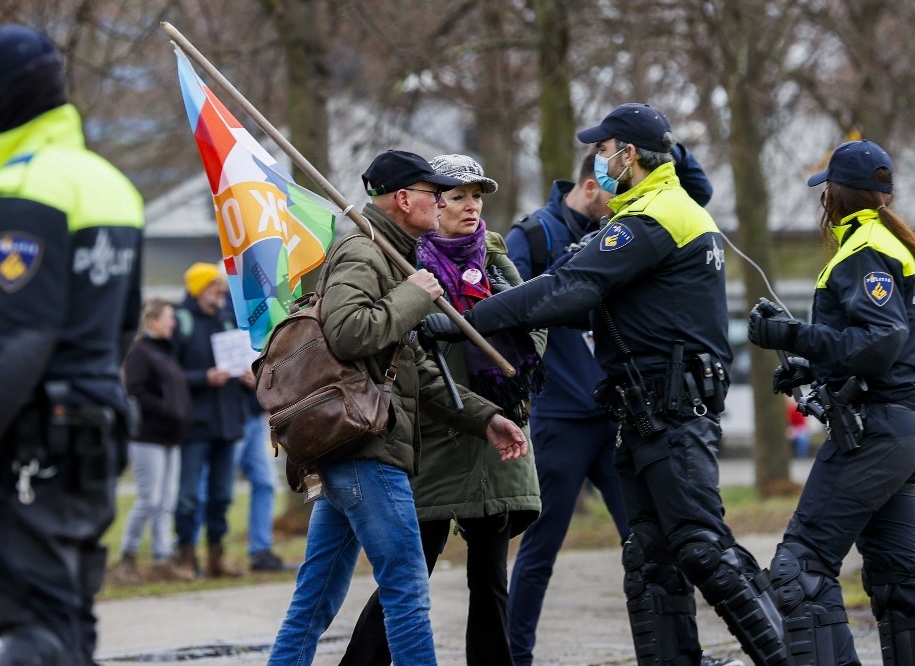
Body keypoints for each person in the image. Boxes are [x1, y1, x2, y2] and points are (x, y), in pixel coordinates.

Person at [421, 103, 788, 666]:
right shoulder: (651, 209)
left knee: (701, 548)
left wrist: (459, 320)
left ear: (628, 155)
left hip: (670, 411)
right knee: (650, 560)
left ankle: (791, 655)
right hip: (646, 412)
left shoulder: (652, 217)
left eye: (604, 148)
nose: (597, 158)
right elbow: (589, 307)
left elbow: (566, 290)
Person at [0, 24, 143, 663]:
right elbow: (118, 329)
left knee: (33, 638)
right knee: (66, 627)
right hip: (89, 435)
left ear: (8, 97)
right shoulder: (107, 185)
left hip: (29, 445)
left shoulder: (23, 193)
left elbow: (7, 351)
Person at [266, 149, 530, 666]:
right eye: (434, 193)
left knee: (314, 602)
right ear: (403, 198)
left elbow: (409, 369)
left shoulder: (391, 254)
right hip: (367, 449)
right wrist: (412, 297)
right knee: (406, 593)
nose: (441, 202)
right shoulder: (365, 254)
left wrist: (484, 417)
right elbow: (347, 334)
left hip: (352, 451)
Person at [505, 146, 715, 666]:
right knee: (539, 552)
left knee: (657, 545)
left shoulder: (634, 226)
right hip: (561, 420)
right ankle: (515, 656)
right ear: (594, 185)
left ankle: (680, 655)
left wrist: (672, 150)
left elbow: (695, 196)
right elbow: (510, 310)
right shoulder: (532, 236)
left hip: (623, 415)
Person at [337, 154, 544, 666]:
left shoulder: (494, 257)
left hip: (494, 427)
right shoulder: (403, 258)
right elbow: (393, 346)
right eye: (456, 196)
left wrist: (486, 322)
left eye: (478, 196)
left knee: (491, 578)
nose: (471, 206)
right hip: (432, 430)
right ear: (427, 202)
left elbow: (536, 323)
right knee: (410, 572)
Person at [749, 139, 915, 664]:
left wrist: (794, 336)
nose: (822, 200)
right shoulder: (892, 244)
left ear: (837, 195)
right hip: (902, 434)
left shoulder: (865, 249)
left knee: (800, 570)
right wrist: (811, 367)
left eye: (826, 190)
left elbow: (883, 341)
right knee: (898, 583)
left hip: (878, 433)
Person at [173, 261, 254, 579]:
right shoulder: (181, 323)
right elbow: (167, 374)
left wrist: (248, 377)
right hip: (195, 424)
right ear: (197, 289)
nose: (219, 293)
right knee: (189, 496)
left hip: (227, 422)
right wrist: (203, 378)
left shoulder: (224, 321)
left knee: (222, 495)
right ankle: (184, 557)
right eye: (213, 287)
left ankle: (215, 557)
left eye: (220, 288)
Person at [113, 298, 194, 584]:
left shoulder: (166, 352)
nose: (173, 323)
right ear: (152, 320)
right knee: (150, 499)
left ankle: (162, 558)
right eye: (169, 317)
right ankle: (127, 556)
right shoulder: (140, 352)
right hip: (148, 437)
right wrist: (167, 410)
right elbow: (135, 391)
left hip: (171, 437)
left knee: (167, 502)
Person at [236, 399, 290, 572]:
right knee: (213, 488)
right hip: (231, 417)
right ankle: (186, 549)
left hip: (255, 417)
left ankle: (261, 552)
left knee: (266, 484)